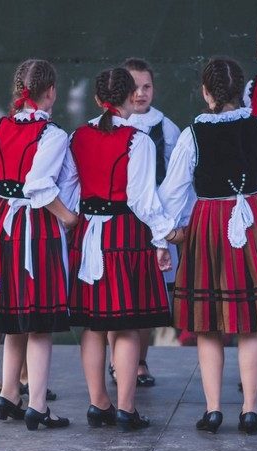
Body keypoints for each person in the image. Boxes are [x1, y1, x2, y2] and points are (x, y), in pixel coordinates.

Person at [158, 58, 257, 434]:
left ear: (206, 92)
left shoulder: (192, 134)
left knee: (208, 324)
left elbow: (172, 194)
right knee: (250, 322)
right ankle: (250, 410)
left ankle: (213, 410)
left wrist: (168, 235)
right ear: (242, 92)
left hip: (208, 223)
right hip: (255, 219)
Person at [63, 67, 178, 432]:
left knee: (93, 325)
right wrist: (162, 239)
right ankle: (126, 408)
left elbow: (69, 190)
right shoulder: (138, 141)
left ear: (98, 100)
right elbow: (143, 201)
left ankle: (99, 403)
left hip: (87, 233)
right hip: (125, 234)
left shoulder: (77, 136)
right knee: (126, 325)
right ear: (131, 97)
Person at [0, 59, 74, 430]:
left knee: (14, 317)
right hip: (35, 226)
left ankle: (10, 394)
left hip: (0, 224)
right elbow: (39, 187)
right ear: (51, 93)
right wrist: (69, 218)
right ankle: (38, 405)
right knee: (40, 323)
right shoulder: (52, 135)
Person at [104, 57, 182, 388]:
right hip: (118, 223)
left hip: (153, 225)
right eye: (134, 87)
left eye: (146, 86)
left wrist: (166, 228)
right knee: (116, 295)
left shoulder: (167, 129)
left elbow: (176, 180)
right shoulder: (105, 125)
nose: (140, 93)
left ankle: (139, 361)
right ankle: (116, 362)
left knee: (150, 295)